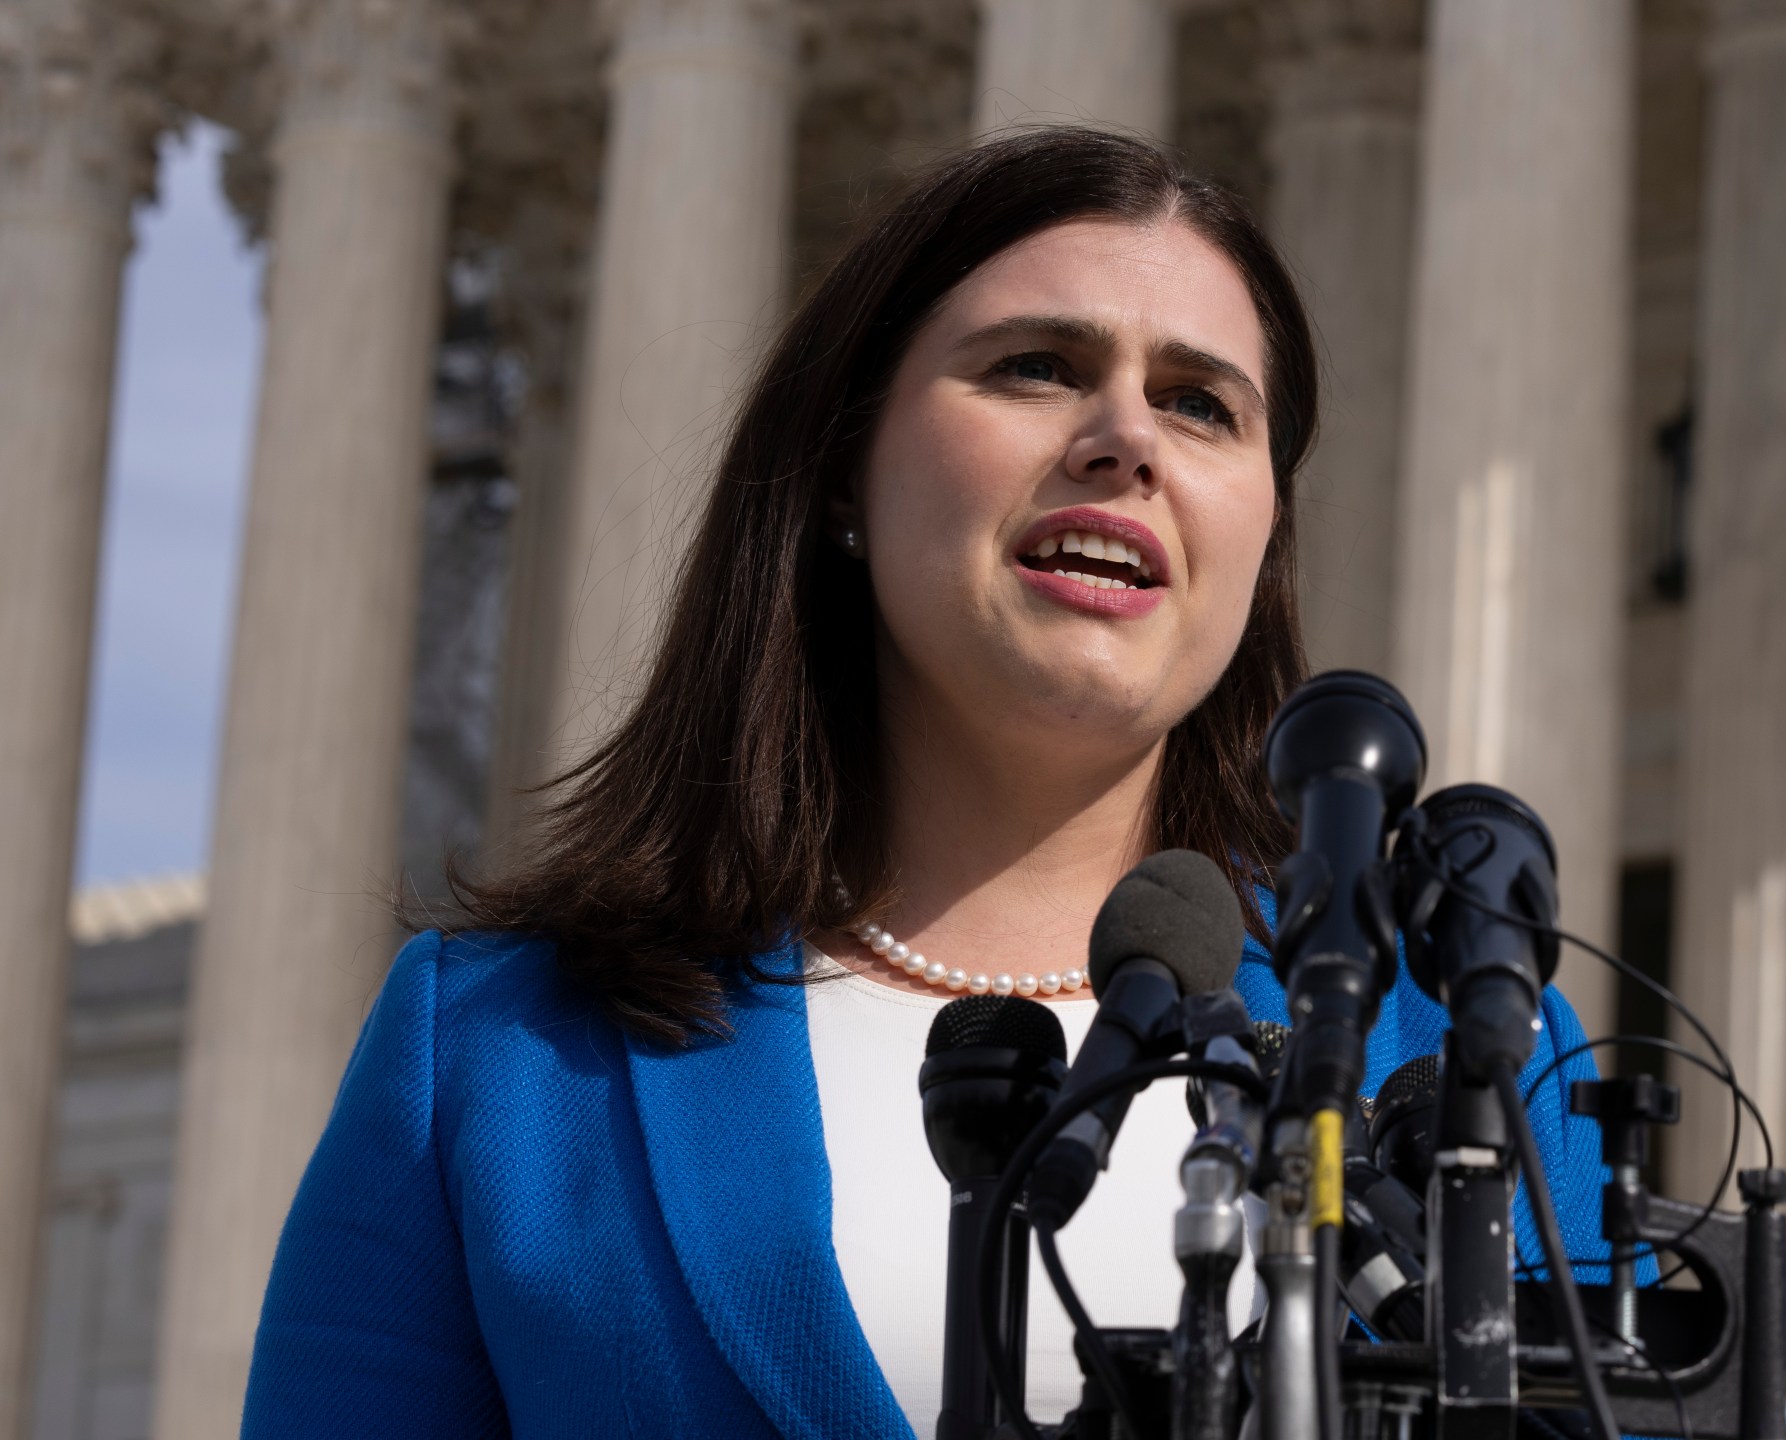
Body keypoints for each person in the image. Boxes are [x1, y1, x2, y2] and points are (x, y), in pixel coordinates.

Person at [241, 129, 1611, 1439]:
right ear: (844, 472)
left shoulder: (1467, 1047)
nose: (1124, 437)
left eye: (1201, 405)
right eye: (1034, 367)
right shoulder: (505, 1055)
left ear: (1262, 540)